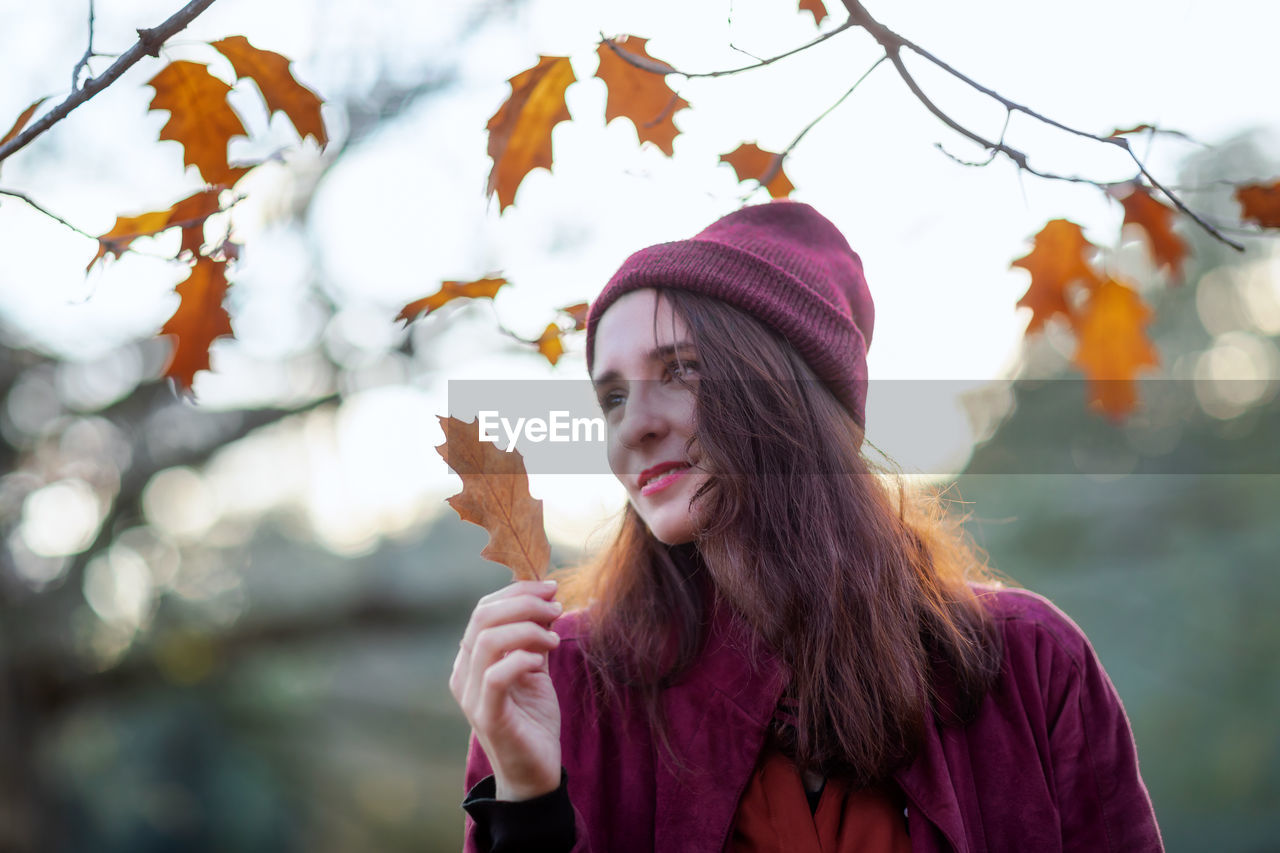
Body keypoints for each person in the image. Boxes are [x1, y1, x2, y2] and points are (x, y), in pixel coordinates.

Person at [448, 200, 1163, 852]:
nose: (633, 425)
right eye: (611, 397)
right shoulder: (561, 685)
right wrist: (527, 802)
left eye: (682, 369)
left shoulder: (1030, 665)